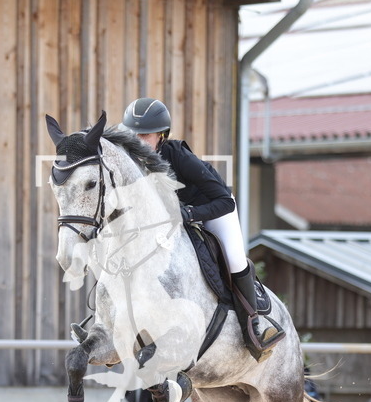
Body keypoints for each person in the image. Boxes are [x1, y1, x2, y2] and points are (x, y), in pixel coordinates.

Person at [121, 96, 285, 360]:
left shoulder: (178, 156)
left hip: (212, 210)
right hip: (173, 220)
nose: (137, 142)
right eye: (133, 135)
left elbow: (222, 200)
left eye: (145, 136)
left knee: (233, 259)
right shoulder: (129, 161)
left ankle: (254, 328)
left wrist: (190, 213)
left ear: (162, 135)